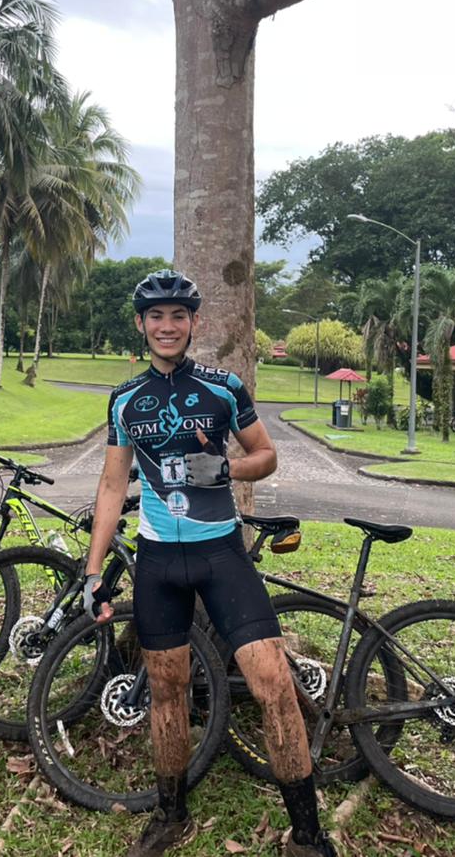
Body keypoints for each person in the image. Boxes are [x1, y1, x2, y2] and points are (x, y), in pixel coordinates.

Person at [82, 270, 335, 857]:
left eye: (178, 316)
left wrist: (225, 470)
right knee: (166, 692)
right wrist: (94, 572)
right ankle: (171, 816)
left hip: (221, 555)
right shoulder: (125, 399)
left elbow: (266, 455)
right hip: (157, 563)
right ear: (142, 325)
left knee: (272, 682)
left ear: (193, 323)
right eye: (156, 317)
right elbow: (112, 486)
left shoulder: (223, 388)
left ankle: (308, 835)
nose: (167, 327)